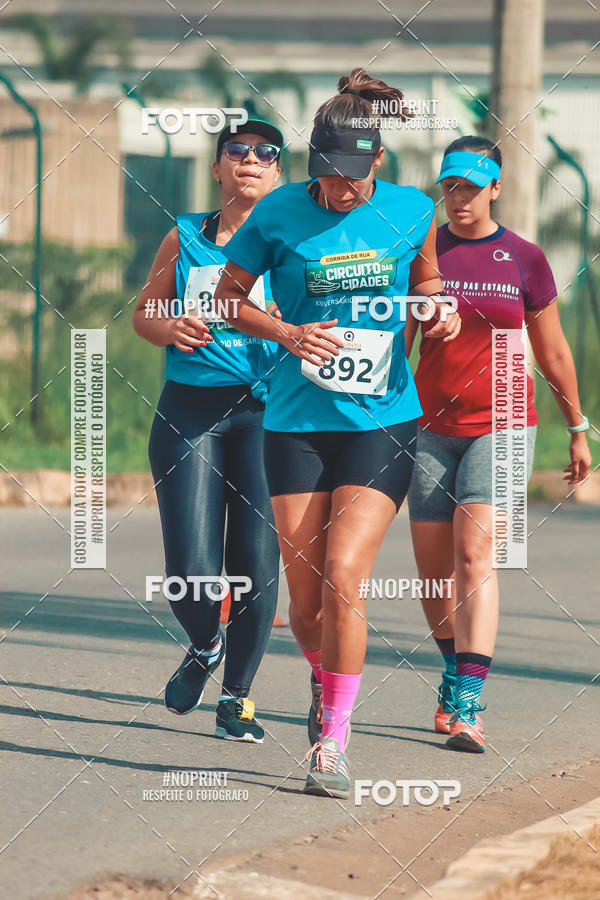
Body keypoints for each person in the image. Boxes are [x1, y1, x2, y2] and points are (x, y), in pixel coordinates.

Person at [213, 68, 461, 797]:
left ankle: (332, 742)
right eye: (327, 173)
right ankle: (328, 685)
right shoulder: (279, 213)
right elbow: (230, 301)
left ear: (377, 164)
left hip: (381, 420)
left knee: (345, 580)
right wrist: (286, 332)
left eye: (353, 176)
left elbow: (428, 283)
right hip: (293, 423)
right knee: (307, 602)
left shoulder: (412, 211)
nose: (339, 188)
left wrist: (438, 310)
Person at [405, 135, 592, 753]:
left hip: (507, 422)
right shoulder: (422, 250)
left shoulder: (525, 258)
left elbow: (554, 350)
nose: (458, 199)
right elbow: (402, 340)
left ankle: (469, 703)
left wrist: (576, 427)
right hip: (429, 426)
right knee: (434, 577)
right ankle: (452, 667)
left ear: (495, 186)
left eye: (469, 186)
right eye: (449, 187)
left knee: (474, 560)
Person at [133, 117, 284, 743]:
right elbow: (145, 308)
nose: (249, 160)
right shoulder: (187, 235)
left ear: (279, 173)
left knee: (254, 561)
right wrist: (167, 327)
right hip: (190, 411)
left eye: (264, 153)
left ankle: (238, 701)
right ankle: (204, 644)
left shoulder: (295, 244)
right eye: (236, 152)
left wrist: (283, 321)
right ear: (218, 168)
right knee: (191, 568)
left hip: (270, 416)